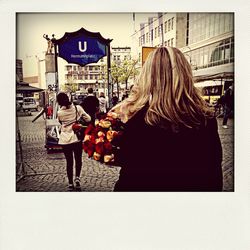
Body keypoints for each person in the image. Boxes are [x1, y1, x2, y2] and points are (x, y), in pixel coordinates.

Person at [112, 47, 223, 191]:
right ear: (185, 74)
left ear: (147, 76)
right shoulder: (204, 118)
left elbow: (127, 165)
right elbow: (213, 172)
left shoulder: (133, 118)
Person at [57, 92, 91, 191]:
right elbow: (88, 119)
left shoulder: (59, 113)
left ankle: (70, 183)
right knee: (78, 159)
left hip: (64, 139)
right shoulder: (78, 108)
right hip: (76, 138)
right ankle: (77, 179)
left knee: (69, 161)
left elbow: (61, 123)